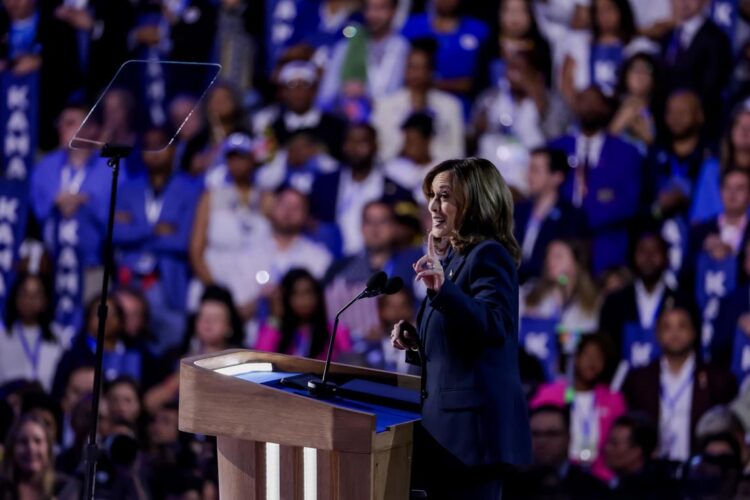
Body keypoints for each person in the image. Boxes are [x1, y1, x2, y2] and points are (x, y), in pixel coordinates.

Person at [390, 158, 531, 498]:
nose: (433, 207)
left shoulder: (488, 255)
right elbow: (461, 342)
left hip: (472, 440)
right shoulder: (455, 259)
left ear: (475, 201)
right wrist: (417, 341)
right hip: (448, 438)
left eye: (444, 196)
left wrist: (444, 291)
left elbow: (495, 327)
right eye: (432, 196)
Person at [114, 127, 202, 354]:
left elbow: (183, 241)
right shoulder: (127, 188)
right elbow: (116, 234)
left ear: (174, 150)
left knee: (169, 346)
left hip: (168, 283)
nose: (155, 152)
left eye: (161, 145)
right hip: (129, 279)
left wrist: (135, 229)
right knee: (124, 345)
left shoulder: (191, 189)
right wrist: (155, 230)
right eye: (149, 146)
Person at [622, 304, 738, 461]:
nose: (675, 333)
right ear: (656, 334)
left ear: (694, 332)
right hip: (651, 470)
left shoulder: (717, 379)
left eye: (682, 326)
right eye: (667, 327)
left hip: (701, 470)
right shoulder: (639, 379)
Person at [549, 86, 644, 274]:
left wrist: (585, 220)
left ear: (606, 108)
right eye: (583, 100)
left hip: (606, 249)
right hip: (562, 244)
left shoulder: (627, 153)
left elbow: (629, 202)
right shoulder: (557, 148)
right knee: (561, 288)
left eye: (595, 101)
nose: (589, 107)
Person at [309, 123, 413, 256]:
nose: (355, 147)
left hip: (379, 263)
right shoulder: (324, 184)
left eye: (362, 141)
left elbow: (408, 230)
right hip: (330, 262)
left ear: (375, 146)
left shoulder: (395, 191)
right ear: (343, 145)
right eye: (350, 141)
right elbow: (311, 221)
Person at [532, 334, 626, 480]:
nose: (592, 362)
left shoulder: (613, 399)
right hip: (557, 475)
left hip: (601, 478)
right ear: (575, 357)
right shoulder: (549, 394)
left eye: (598, 357)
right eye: (587, 354)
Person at [371, 40, 465, 163]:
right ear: (405, 70)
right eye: (412, 67)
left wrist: (426, 152)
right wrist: (402, 150)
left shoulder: (451, 105)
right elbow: (378, 152)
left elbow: (458, 152)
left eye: (422, 68)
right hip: (395, 172)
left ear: (431, 71)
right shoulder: (384, 105)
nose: (416, 74)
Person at [599, 232, 682, 364]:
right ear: (632, 256)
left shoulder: (681, 302)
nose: (648, 258)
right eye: (642, 251)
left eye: (655, 251)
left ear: (666, 258)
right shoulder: (614, 303)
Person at [317, 0, 409, 110]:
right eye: (369, 8)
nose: (373, 14)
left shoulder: (403, 48)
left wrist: (366, 95)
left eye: (381, 8)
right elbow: (325, 97)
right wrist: (343, 92)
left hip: (391, 117)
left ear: (394, 11)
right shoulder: (346, 46)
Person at [504, 405, 610, 499]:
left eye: (551, 434)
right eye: (535, 434)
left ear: (568, 438)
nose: (542, 441)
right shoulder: (508, 488)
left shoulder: (594, 490)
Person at [661, 0, 732, 138]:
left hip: (702, 128)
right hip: (668, 126)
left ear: (705, 2)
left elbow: (714, 85)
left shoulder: (716, 38)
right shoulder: (667, 37)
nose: (683, 2)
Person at [514, 147, 586, 283]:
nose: (529, 175)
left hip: (549, 288)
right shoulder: (518, 211)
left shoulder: (571, 217)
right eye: (529, 169)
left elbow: (565, 269)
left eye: (535, 170)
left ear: (556, 177)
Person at [256, 268, 352, 360]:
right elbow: (260, 360)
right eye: (295, 293)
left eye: (308, 292)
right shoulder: (277, 330)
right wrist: (276, 317)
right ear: (285, 297)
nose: (303, 300)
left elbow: (349, 364)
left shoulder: (335, 331)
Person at [521, 239, 601, 336]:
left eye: (558, 256)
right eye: (548, 255)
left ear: (576, 263)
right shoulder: (529, 293)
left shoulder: (590, 303)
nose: (550, 261)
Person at [271, 61, 347, 161]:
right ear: (283, 92)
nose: (298, 91)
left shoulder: (335, 126)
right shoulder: (272, 130)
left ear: (314, 90)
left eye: (305, 85)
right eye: (291, 85)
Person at [0, 273, 63, 391]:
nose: (29, 300)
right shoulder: (2, 336)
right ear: (15, 298)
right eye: (25, 294)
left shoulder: (59, 337)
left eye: (36, 295)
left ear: (45, 300)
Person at [603, 412, 682, 498]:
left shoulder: (655, 491)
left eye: (614, 444)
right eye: (608, 442)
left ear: (637, 451)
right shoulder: (617, 484)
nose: (606, 448)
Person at [0, 414, 79, 499]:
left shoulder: (63, 487)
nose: (31, 448)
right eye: (23, 442)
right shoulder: (2, 488)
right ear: (11, 449)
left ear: (48, 448)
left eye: (38, 441)